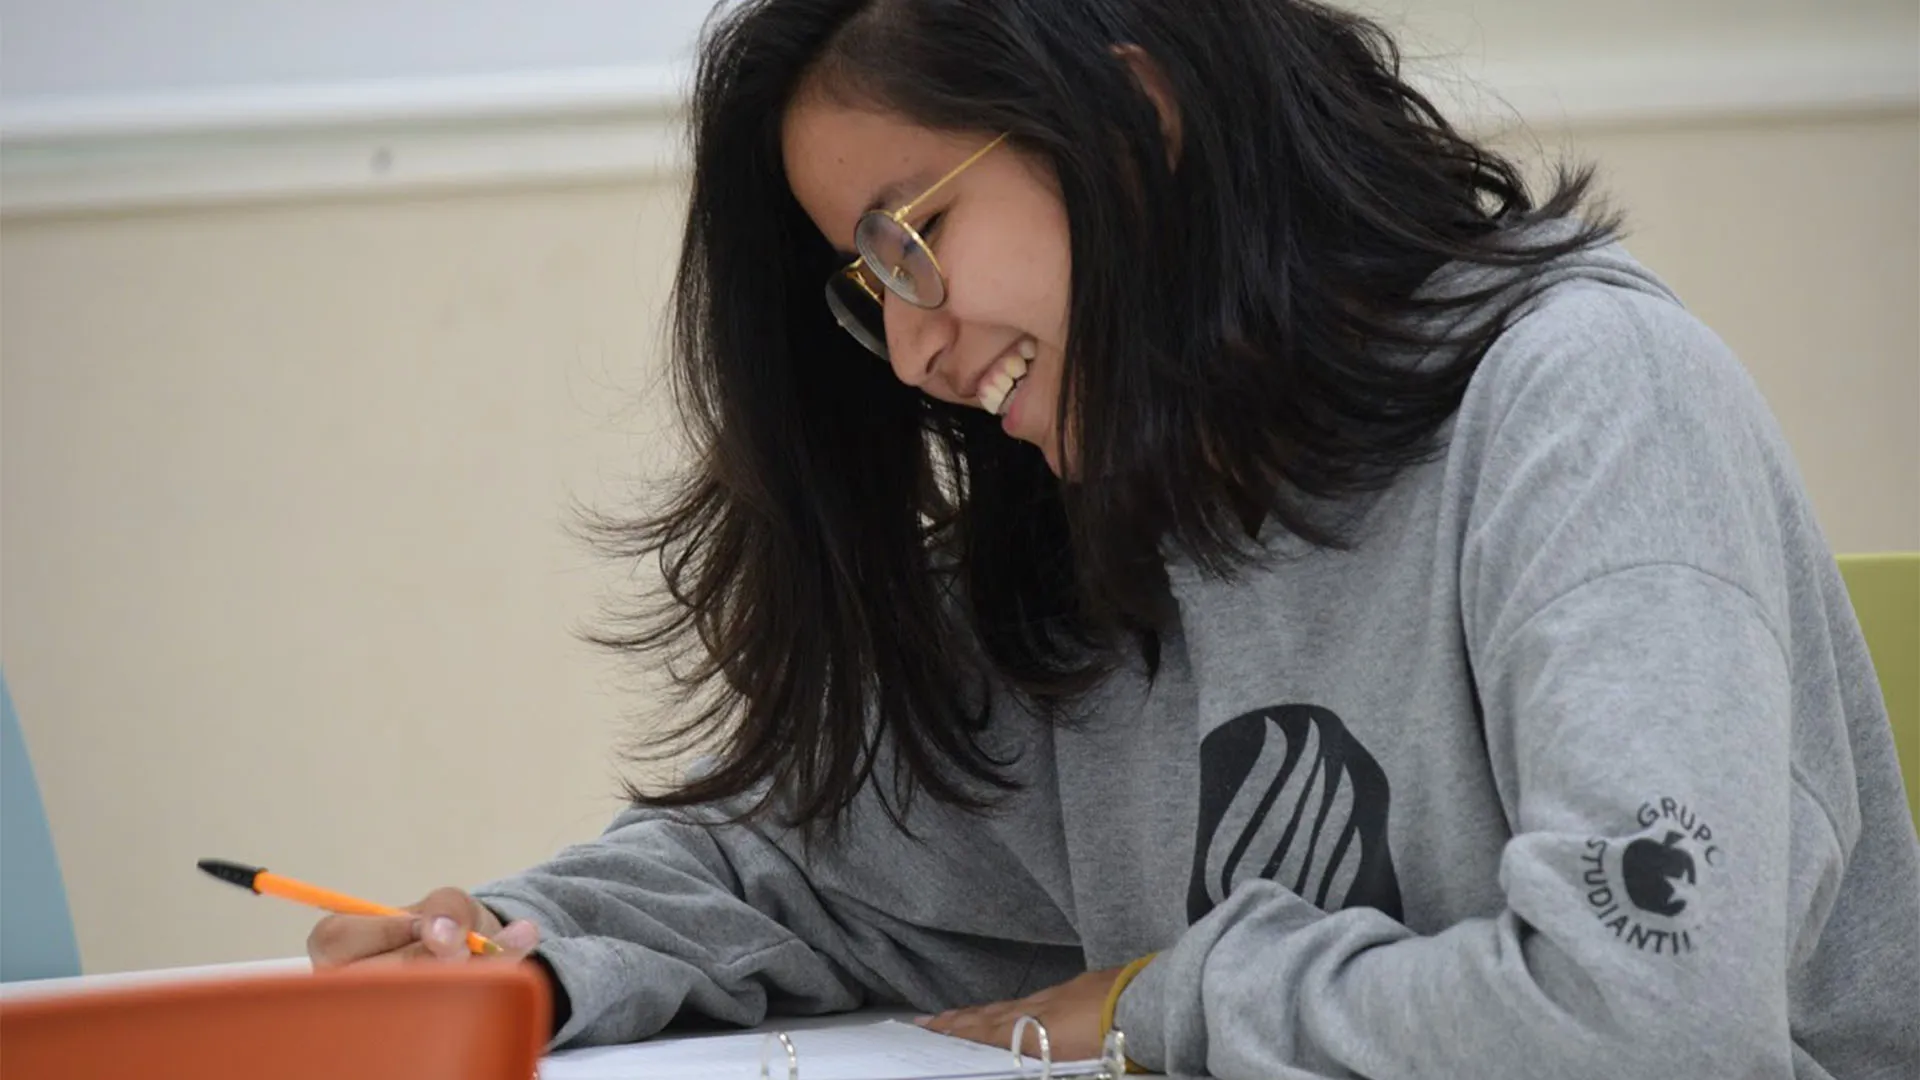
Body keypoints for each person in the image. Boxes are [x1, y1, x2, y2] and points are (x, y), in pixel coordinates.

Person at [306, 1, 1920, 1076]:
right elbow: (800, 870)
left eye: (910, 241)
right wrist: (516, 947)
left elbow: (1654, 1024)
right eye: (867, 292)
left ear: (1132, 115)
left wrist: (1172, 999)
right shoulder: (1119, 513)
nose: (918, 350)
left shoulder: (1585, 400)